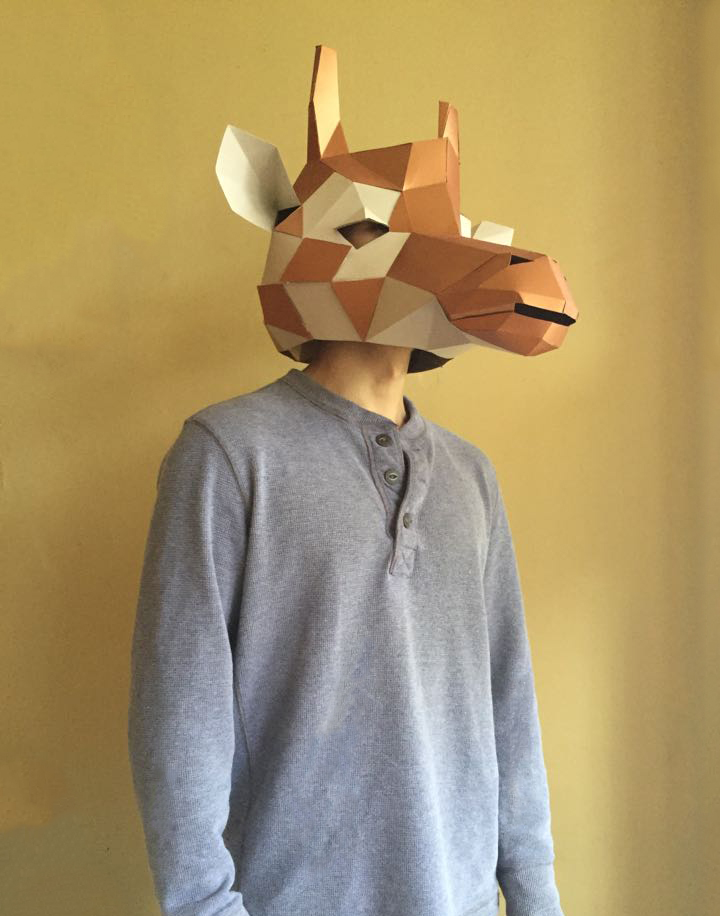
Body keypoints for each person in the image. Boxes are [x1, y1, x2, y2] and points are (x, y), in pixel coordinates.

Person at [128, 45, 572, 916]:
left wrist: (534, 893)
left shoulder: (472, 477)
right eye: (382, 231)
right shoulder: (227, 454)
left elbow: (508, 701)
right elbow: (178, 712)